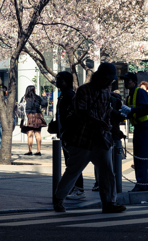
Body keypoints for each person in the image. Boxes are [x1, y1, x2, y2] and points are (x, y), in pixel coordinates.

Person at [52, 63, 126, 214]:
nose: (109, 83)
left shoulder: (106, 92)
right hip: (83, 138)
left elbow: (107, 112)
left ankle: (109, 202)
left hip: (101, 138)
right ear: (99, 77)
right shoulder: (84, 90)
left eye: (110, 81)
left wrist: (113, 127)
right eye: (107, 79)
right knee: (74, 170)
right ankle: (59, 198)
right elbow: (80, 112)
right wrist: (99, 122)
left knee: (107, 171)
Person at [52, 71, 86, 200]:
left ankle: (79, 189)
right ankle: (74, 188)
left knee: (73, 163)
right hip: (65, 134)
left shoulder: (69, 95)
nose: (56, 81)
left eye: (59, 79)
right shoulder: (63, 95)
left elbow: (71, 116)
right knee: (70, 162)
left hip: (70, 134)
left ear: (65, 81)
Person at [122, 73, 148, 192]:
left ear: (134, 82)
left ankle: (141, 184)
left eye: (128, 81)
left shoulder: (139, 92)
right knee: (138, 157)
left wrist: (131, 110)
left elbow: (146, 108)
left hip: (145, 127)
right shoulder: (129, 96)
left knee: (142, 156)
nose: (125, 83)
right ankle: (144, 184)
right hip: (138, 127)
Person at [20, 85, 47, 156]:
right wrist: (44, 97)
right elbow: (45, 104)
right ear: (33, 90)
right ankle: (38, 151)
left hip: (28, 117)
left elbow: (20, 106)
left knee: (30, 134)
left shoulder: (24, 98)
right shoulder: (37, 97)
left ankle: (30, 151)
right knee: (38, 134)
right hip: (37, 116)